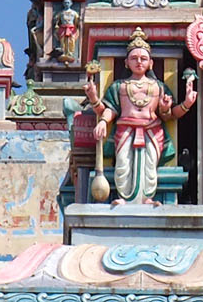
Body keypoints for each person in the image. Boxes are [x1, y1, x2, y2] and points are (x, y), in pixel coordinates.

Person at [84, 33, 197, 205]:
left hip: (152, 130)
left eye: (143, 58)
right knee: (123, 164)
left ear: (151, 63)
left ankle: (147, 198)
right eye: (134, 58)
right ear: (126, 63)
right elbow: (109, 110)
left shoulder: (158, 87)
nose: (139, 62)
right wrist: (99, 111)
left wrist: (185, 104)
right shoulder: (119, 86)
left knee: (149, 166)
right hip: (125, 129)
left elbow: (169, 116)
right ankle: (124, 197)